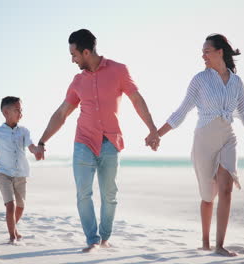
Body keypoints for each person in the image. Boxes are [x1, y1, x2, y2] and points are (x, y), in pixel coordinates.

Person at [36, 29, 159, 252]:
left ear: (85, 51)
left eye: (74, 55)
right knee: (83, 193)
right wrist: (43, 141)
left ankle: (105, 238)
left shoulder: (119, 70)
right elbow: (62, 113)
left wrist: (152, 129)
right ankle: (92, 240)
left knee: (109, 195)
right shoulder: (77, 81)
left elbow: (136, 99)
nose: (72, 60)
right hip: (83, 142)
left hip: (110, 142)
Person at [155, 34, 244, 257]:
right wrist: (157, 134)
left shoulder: (237, 82)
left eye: (207, 51)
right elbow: (182, 111)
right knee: (208, 196)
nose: (203, 55)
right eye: (203, 51)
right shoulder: (200, 80)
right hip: (204, 140)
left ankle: (219, 245)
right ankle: (205, 242)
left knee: (226, 189)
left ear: (220, 52)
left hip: (228, 137)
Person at [0, 96, 39, 244]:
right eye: (17, 110)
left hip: (20, 174)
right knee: (10, 205)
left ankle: (13, 228)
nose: (21, 113)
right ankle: (12, 237)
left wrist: (37, 150)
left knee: (20, 206)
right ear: (6, 112)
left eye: (21, 110)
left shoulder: (24, 131)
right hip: (3, 173)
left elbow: (31, 146)